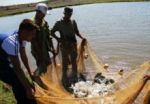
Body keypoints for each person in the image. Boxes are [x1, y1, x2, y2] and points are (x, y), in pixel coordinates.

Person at [0, 19, 38, 104]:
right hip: (1, 62)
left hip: (2, 57)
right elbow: (17, 69)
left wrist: (29, 72)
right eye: (32, 34)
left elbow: (23, 56)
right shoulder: (12, 43)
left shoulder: (21, 36)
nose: (34, 36)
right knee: (18, 83)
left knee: (24, 83)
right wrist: (28, 89)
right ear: (24, 32)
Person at [51, 7, 86, 90]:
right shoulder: (59, 23)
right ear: (64, 13)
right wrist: (58, 39)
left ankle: (74, 77)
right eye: (67, 14)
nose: (69, 15)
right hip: (64, 46)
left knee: (74, 61)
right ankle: (64, 78)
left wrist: (82, 37)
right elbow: (51, 32)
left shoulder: (73, 22)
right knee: (65, 63)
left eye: (70, 14)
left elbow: (77, 32)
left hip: (73, 45)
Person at [31, 3, 55, 76]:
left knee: (49, 65)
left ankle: (49, 80)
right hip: (37, 51)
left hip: (45, 49)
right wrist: (40, 56)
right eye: (43, 14)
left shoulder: (44, 22)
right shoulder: (32, 23)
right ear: (38, 12)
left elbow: (49, 36)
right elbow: (33, 41)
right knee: (42, 67)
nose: (44, 15)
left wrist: (52, 48)